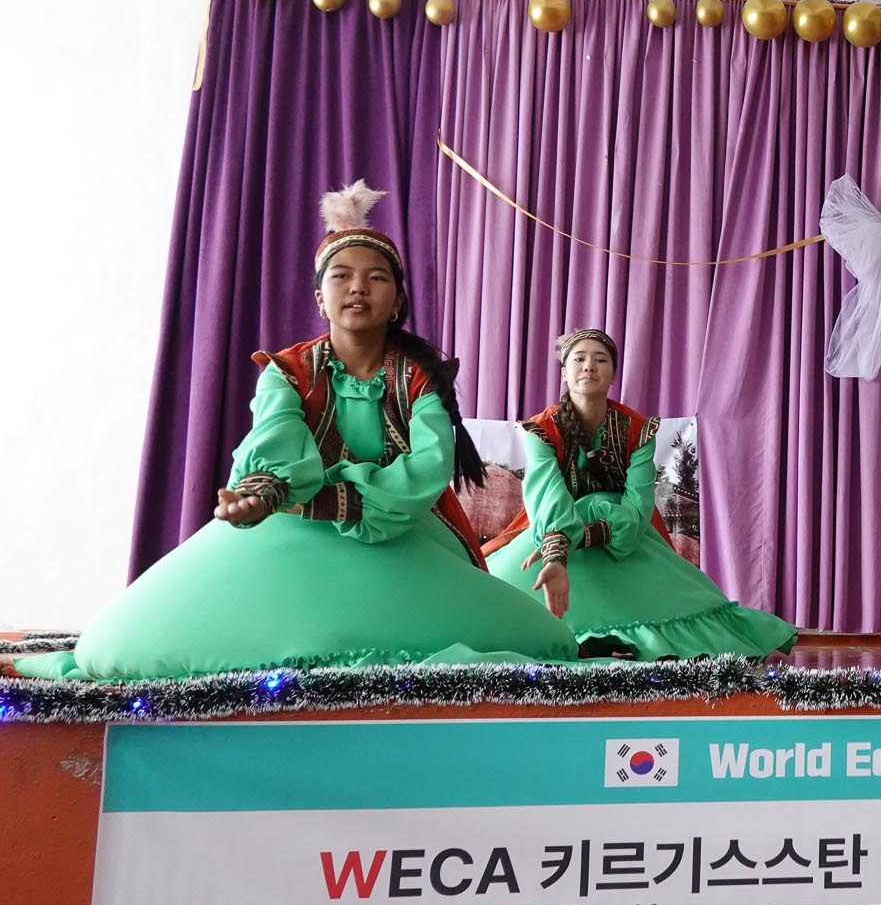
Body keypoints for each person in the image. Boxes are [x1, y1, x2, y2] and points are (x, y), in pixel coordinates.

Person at [14, 182, 581, 680]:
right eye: (342, 276)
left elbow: (429, 467)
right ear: (319, 298)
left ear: (397, 302)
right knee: (135, 641)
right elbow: (278, 437)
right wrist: (263, 493)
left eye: (376, 278)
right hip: (291, 520)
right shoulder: (288, 372)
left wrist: (337, 500)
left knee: (534, 641)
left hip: (398, 530)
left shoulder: (417, 378)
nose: (358, 287)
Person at [484, 329, 796, 659]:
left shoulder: (638, 428)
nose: (589, 366)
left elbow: (637, 506)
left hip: (626, 536)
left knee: (690, 609)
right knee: (499, 598)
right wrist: (556, 557)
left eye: (600, 360)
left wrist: (588, 535)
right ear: (564, 373)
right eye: (579, 359)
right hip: (555, 534)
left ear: (613, 375)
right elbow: (548, 495)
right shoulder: (541, 429)